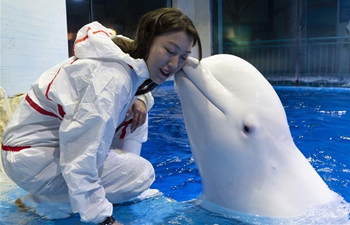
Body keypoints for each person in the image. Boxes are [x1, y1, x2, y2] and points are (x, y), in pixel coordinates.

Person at [1, 7, 202, 225]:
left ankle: (80, 192)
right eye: (170, 50)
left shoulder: (121, 57)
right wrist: (102, 217)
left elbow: (134, 91)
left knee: (139, 111)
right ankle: (51, 201)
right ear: (148, 39)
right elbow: (80, 154)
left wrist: (140, 99)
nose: (175, 64)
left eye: (183, 57)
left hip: (30, 150)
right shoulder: (112, 79)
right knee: (141, 174)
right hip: (31, 160)